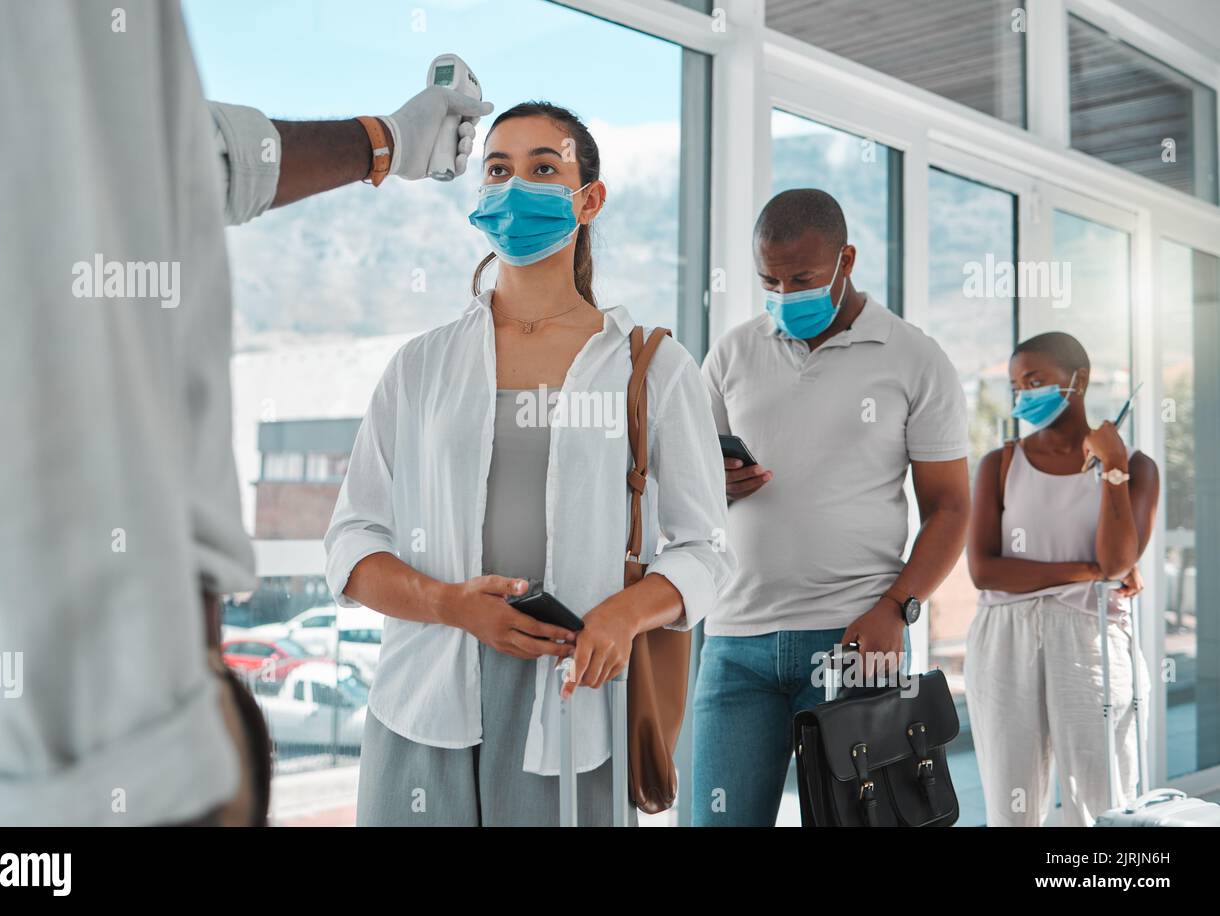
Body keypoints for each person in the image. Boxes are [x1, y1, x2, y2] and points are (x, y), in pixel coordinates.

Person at [0, 0, 490, 826]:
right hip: (35, 722)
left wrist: (387, 141)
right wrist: (125, 768)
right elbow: (35, 262)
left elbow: (174, 161)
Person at [325, 101, 732, 827]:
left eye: (545, 168)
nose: (516, 188)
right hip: (424, 694)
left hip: (573, 701)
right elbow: (352, 542)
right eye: (498, 170)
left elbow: (705, 549)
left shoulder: (653, 367)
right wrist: (451, 605)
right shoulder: (421, 366)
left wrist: (627, 614)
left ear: (589, 198)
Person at [693, 188, 971, 827]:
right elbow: (688, 486)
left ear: (846, 259)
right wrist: (717, 481)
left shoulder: (914, 358)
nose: (787, 294)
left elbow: (951, 507)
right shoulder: (733, 354)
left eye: (803, 278)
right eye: (771, 280)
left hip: (856, 640)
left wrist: (896, 609)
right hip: (735, 642)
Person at [965, 332, 1158, 827]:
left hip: (1091, 639)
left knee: (1102, 802)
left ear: (1080, 380)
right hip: (1005, 638)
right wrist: (1088, 570)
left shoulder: (1137, 467)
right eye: (1016, 385)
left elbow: (1116, 562)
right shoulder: (999, 464)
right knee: (1011, 806)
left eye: (1035, 381)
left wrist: (1112, 467)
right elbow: (985, 571)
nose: (1023, 395)